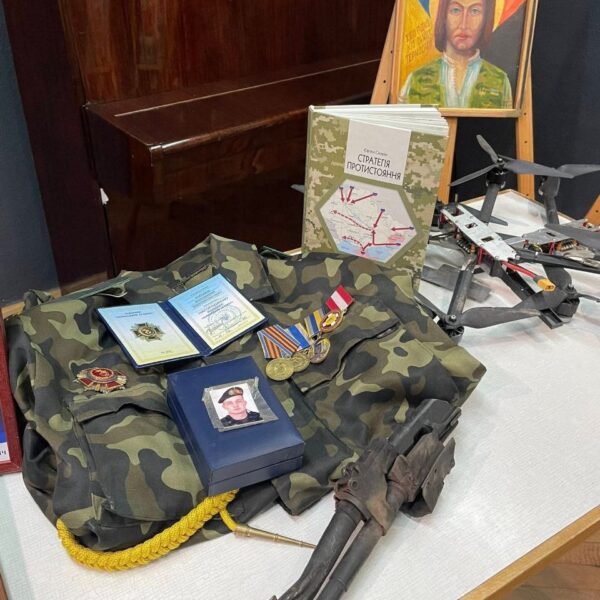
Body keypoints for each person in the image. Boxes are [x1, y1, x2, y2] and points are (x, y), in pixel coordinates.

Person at [399, 0, 512, 109]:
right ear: (443, 16)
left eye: (475, 11)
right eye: (456, 10)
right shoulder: (415, 81)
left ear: (486, 19)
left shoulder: (500, 82)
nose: (463, 24)